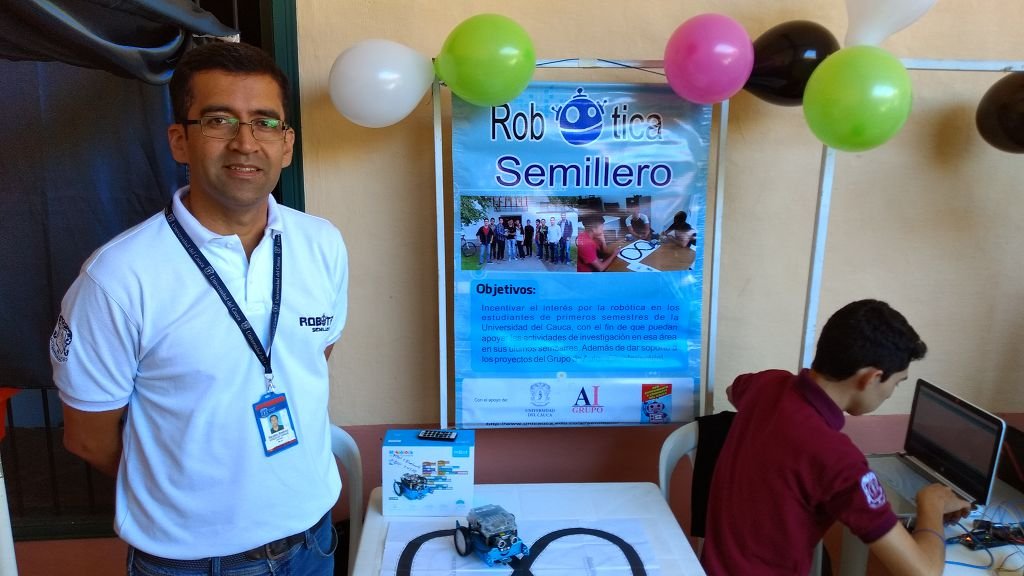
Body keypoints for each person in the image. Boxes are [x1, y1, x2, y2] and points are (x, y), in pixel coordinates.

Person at [50, 42, 343, 575]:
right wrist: (183, 491)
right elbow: (88, 437)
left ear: (286, 145)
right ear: (179, 141)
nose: (244, 142)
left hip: (313, 541)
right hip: (191, 563)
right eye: (218, 120)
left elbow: (313, 358)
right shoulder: (118, 277)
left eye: (264, 122)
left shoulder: (322, 243)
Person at [702, 299, 970, 576]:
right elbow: (924, 572)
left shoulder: (767, 384)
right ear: (871, 378)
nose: (891, 392)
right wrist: (931, 505)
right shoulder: (838, 460)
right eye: (896, 382)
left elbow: (733, 390)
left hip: (707, 567)